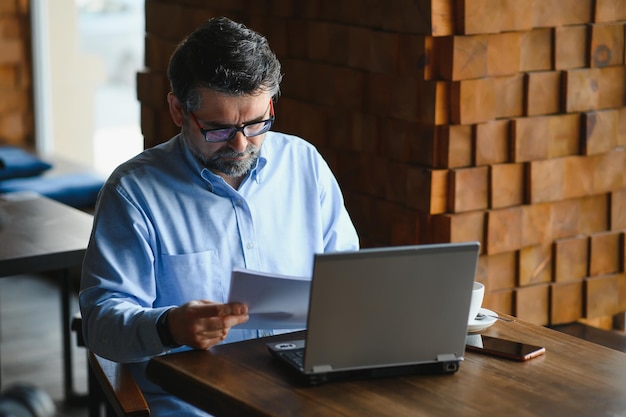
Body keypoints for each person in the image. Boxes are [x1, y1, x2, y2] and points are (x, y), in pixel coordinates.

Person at [79, 16, 359, 416]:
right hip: (193, 406)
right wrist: (168, 326)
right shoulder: (134, 193)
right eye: (219, 129)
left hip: (306, 394)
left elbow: (347, 279)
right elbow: (101, 323)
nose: (242, 143)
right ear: (178, 110)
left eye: (258, 122)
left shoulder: (305, 166)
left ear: (271, 104)